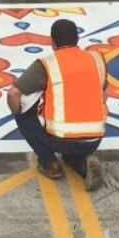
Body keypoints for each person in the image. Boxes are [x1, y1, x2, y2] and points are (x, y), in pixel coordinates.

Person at [6, 19, 107, 190]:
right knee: (72, 152)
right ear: (77, 39)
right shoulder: (96, 59)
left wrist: (16, 111)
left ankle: (49, 163)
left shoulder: (47, 64)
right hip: (94, 139)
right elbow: (104, 95)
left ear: (52, 42)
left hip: (60, 139)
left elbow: (13, 93)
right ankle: (84, 163)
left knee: (22, 112)